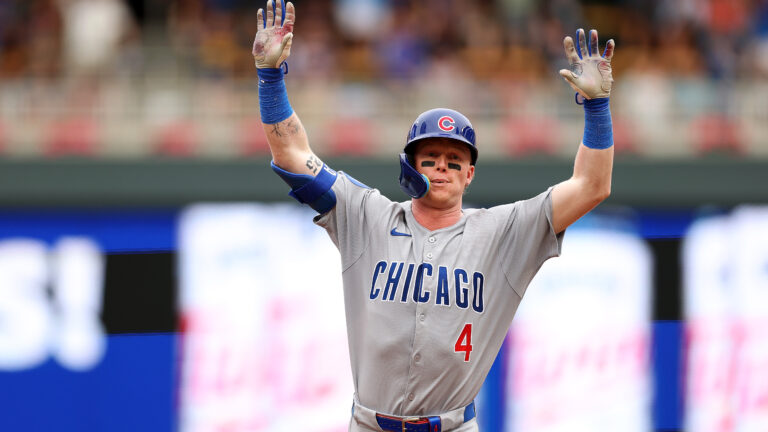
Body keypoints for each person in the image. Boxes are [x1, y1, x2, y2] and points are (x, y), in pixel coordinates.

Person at [252, 1, 616, 431]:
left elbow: (592, 186)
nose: (442, 166)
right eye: (430, 156)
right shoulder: (366, 216)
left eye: (454, 158)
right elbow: (294, 155)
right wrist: (270, 77)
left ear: (470, 174)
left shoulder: (503, 233)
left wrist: (597, 110)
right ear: (410, 165)